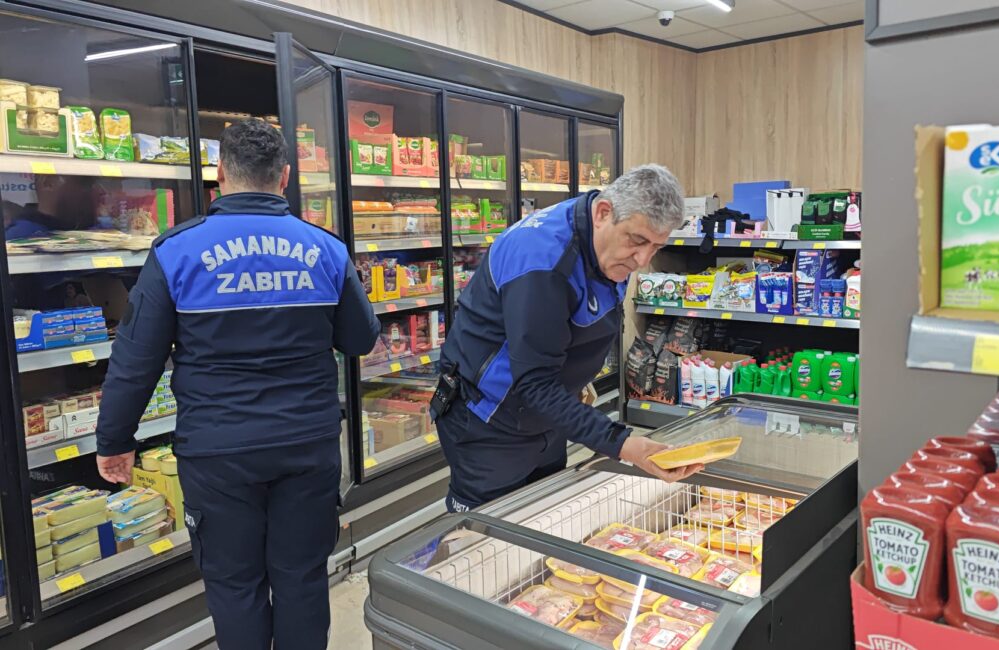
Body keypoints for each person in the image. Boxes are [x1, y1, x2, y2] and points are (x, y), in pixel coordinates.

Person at [94, 119, 380, 650]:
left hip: (218, 451)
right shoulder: (326, 250)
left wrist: (115, 442)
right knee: (301, 578)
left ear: (219, 174)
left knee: (234, 585)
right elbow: (361, 339)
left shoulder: (177, 251)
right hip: (306, 444)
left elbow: (137, 360)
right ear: (286, 176)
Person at [434, 164, 703, 513]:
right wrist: (621, 443)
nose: (642, 260)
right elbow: (533, 382)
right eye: (637, 241)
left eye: (656, 246)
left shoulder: (606, 245)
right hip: (490, 422)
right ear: (603, 212)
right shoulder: (541, 260)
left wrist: (578, 381)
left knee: (541, 517)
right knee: (485, 541)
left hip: (546, 415)